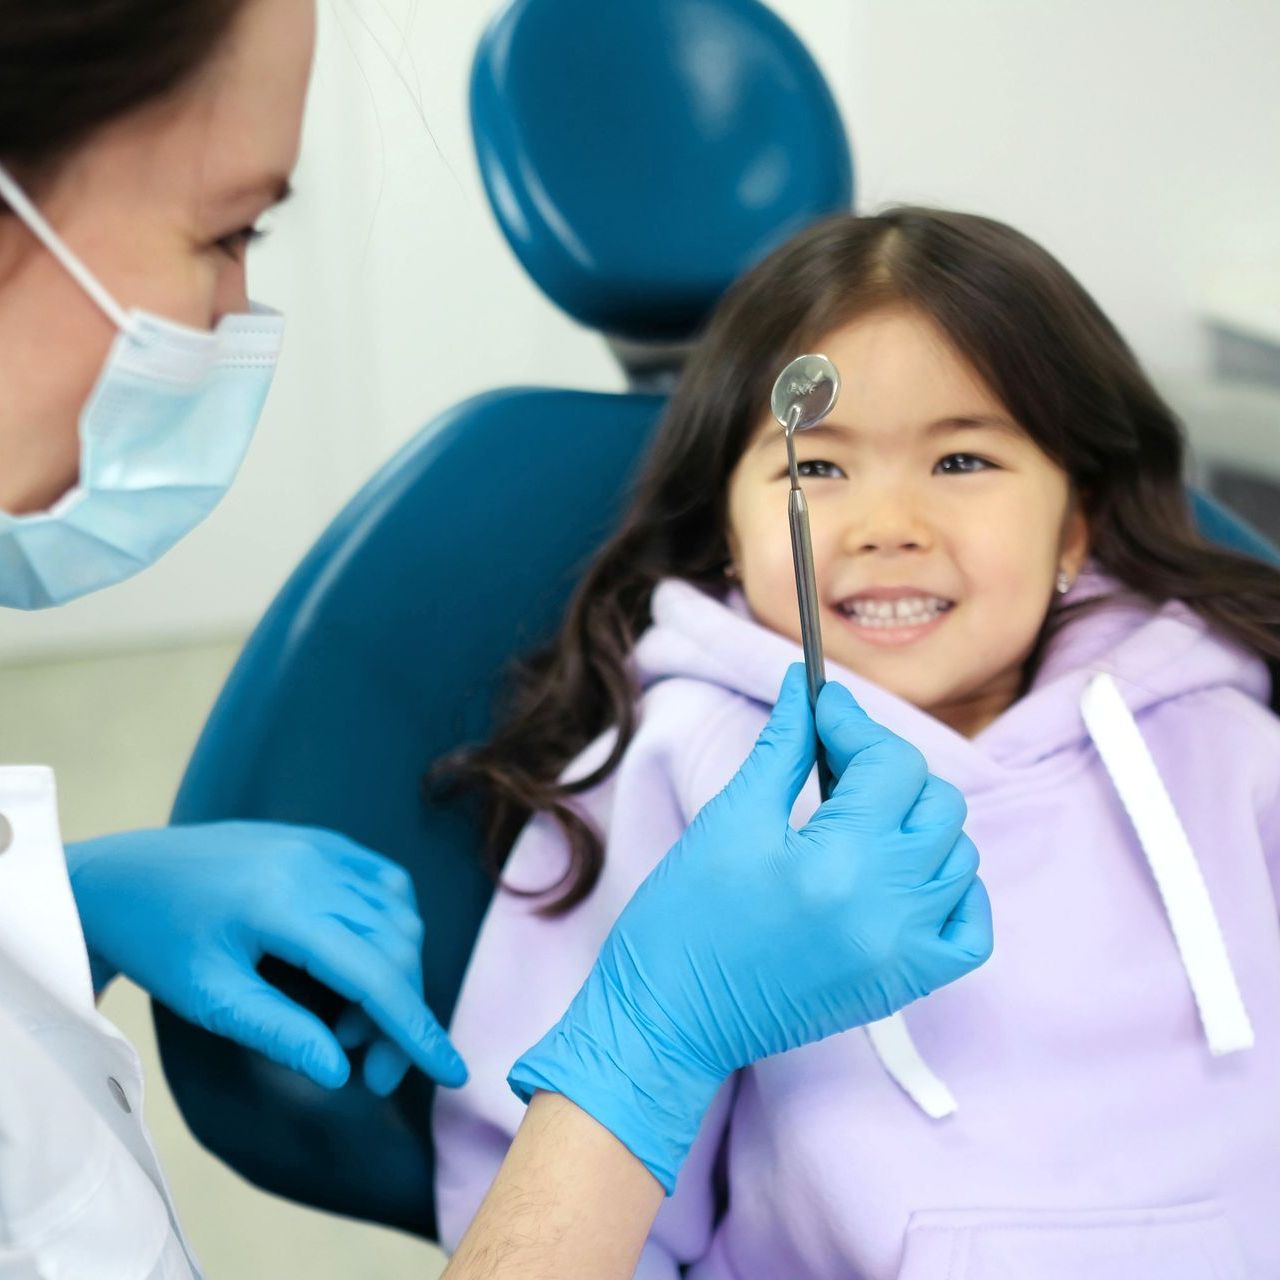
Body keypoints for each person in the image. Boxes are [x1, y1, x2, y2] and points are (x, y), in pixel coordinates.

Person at [0, 4, 991, 1276]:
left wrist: (47, 914)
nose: (893, 522)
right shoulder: (661, 739)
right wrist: (649, 1044)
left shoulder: (1210, 700)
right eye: (226, 229)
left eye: (963, 456)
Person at [434, 208, 1280, 1277]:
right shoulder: (675, 773)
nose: (887, 523)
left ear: (1073, 524)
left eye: (962, 458)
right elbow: (548, 1195)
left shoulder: (1228, 747)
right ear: (729, 532)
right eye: (817, 470)